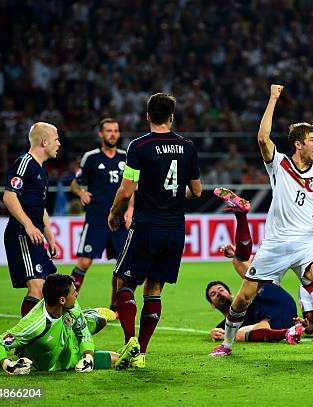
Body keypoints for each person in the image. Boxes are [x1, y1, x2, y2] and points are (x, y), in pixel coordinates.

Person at [209, 85, 313, 357]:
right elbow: (262, 138)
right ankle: (227, 344)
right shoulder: (279, 164)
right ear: (298, 143)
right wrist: (272, 99)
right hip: (276, 243)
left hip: (308, 241)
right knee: (244, 297)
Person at [108, 93, 202, 368]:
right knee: (154, 289)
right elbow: (196, 191)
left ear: (148, 116)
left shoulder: (139, 147)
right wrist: (172, 193)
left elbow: (127, 189)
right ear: (172, 117)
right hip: (175, 229)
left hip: (146, 225)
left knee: (124, 283)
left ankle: (129, 343)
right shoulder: (188, 147)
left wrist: (114, 212)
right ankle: (143, 354)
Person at [208, 188, 303, 344]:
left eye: (220, 290)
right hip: (276, 316)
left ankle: (240, 215)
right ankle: (289, 333)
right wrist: (214, 332)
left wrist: (237, 255)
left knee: (239, 262)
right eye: (214, 294)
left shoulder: (244, 296)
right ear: (212, 305)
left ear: (231, 293)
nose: (219, 294)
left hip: (274, 299)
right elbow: (222, 330)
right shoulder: (226, 324)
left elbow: (251, 264)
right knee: (238, 334)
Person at [0, 274, 137, 374]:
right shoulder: (33, 324)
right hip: (60, 359)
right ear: (62, 300)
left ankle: (91, 315)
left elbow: (83, 334)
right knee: (118, 360)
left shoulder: (72, 306)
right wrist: (8, 365)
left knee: (102, 321)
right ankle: (90, 316)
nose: (77, 294)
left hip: (68, 339)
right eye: (73, 292)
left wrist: (88, 357)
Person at [70, 118, 132, 311]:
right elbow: (74, 183)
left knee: (122, 266)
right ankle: (67, 303)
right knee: (84, 262)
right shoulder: (91, 157)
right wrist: (81, 192)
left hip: (119, 221)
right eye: (108, 130)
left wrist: (130, 210)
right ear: (101, 134)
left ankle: (116, 307)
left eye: (115, 130)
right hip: (97, 219)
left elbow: (132, 188)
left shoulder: (126, 157)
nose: (112, 134)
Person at [3, 122, 61, 317]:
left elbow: (40, 208)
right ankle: (24, 343)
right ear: (44, 141)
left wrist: (50, 236)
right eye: (56, 139)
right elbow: (9, 196)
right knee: (37, 286)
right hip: (21, 234)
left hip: (33, 236)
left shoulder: (41, 170)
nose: (59, 144)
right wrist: (28, 225)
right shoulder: (24, 162)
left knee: (49, 288)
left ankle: (39, 339)